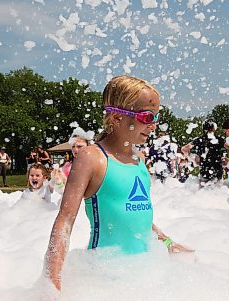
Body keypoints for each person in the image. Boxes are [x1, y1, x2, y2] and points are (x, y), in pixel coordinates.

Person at [44, 75, 191, 292]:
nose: (153, 125)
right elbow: (64, 221)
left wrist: (168, 243)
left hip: (147, 273)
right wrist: (51, 285)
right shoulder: (92, 157)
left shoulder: (138, 159)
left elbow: (137, 217)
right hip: (105, 277)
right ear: (116, 117)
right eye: (146, 116)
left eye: (157, 117)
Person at [182, 120, 226, 186]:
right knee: (217, 193)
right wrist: (227, 159)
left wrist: (192, 160)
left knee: (203, 194)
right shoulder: (219, 140)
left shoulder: (199, 140)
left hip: (205, 171)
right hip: (218, 171)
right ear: (214, 128)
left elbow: (184, 149)